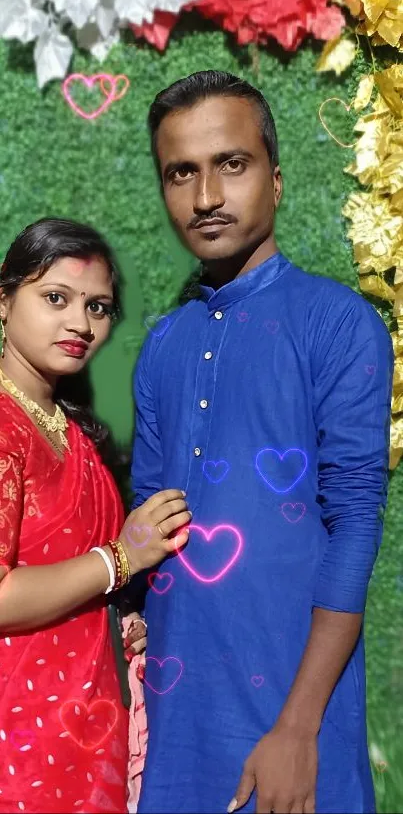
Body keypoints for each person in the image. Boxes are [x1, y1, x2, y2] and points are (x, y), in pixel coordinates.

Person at [130, 70, 394, 814]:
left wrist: (298, 725)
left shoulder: (337, 324)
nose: (206, 195)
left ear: (274, 181)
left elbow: (355, 523)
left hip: (292, 702)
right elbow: (151, 529)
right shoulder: (162, 346)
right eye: (181, 172)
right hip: (178, 708)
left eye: (230, 164)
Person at [0, 217, 191, 814]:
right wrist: (121, 559)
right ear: (3, 300)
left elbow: (69, 573)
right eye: (55, 298)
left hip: (88, 723)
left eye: (99, 307)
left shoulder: (71, 430)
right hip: (21, 735)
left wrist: (117, 616)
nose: (80, 324)